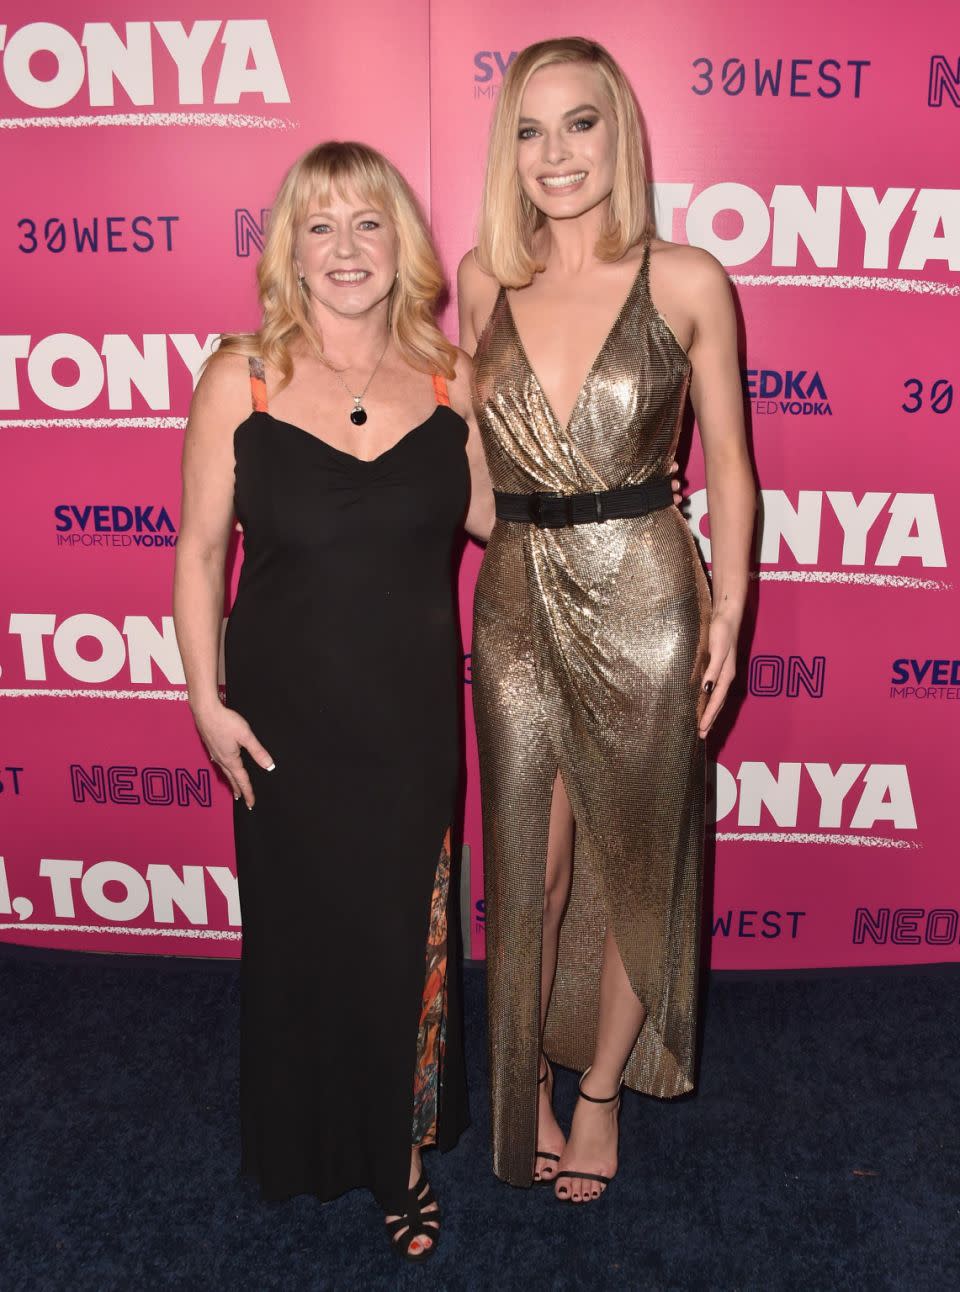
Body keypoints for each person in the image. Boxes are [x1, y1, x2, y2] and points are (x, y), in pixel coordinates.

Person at [173, 140, 493, 1261]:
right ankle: (307, 1138)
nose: (346, 248)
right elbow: (201, 545)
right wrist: (207, 703)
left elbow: (512, 527)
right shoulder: (242, 375)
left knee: (408, 935)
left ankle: (398, 1156)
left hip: (409, 725)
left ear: (400, 244)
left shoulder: (455, 380)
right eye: (321, 226)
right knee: (302, 938)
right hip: (281, 721)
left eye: (369, 224)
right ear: (289, 251)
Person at [458, 37, 756, 1203]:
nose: (556, 154)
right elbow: (476, 478)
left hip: (645, 589)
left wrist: (725, 601)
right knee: (531, 858)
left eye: (579, 124)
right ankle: (523, 1073)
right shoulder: (483, 279)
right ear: (509, 151)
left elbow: (730, 465)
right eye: (531, 131)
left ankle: (596, 1093)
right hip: (520, 592)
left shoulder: (686, 279)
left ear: (618, 133)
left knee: (642, 857)